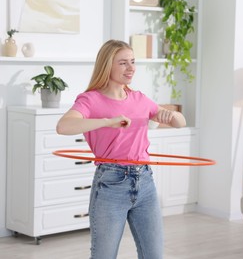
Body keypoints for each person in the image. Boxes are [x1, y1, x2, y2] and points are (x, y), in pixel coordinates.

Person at [56, 39, 186, 259]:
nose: (131, 68)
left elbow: (181, 122)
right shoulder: (91, 100)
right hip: (110, 185)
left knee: (154, 255)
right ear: (108, 65)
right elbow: (63, 126)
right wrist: (107, 122)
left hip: (145, 182)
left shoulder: (139, 99)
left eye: (133, 62)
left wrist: (171, 116)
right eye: (123, 63)